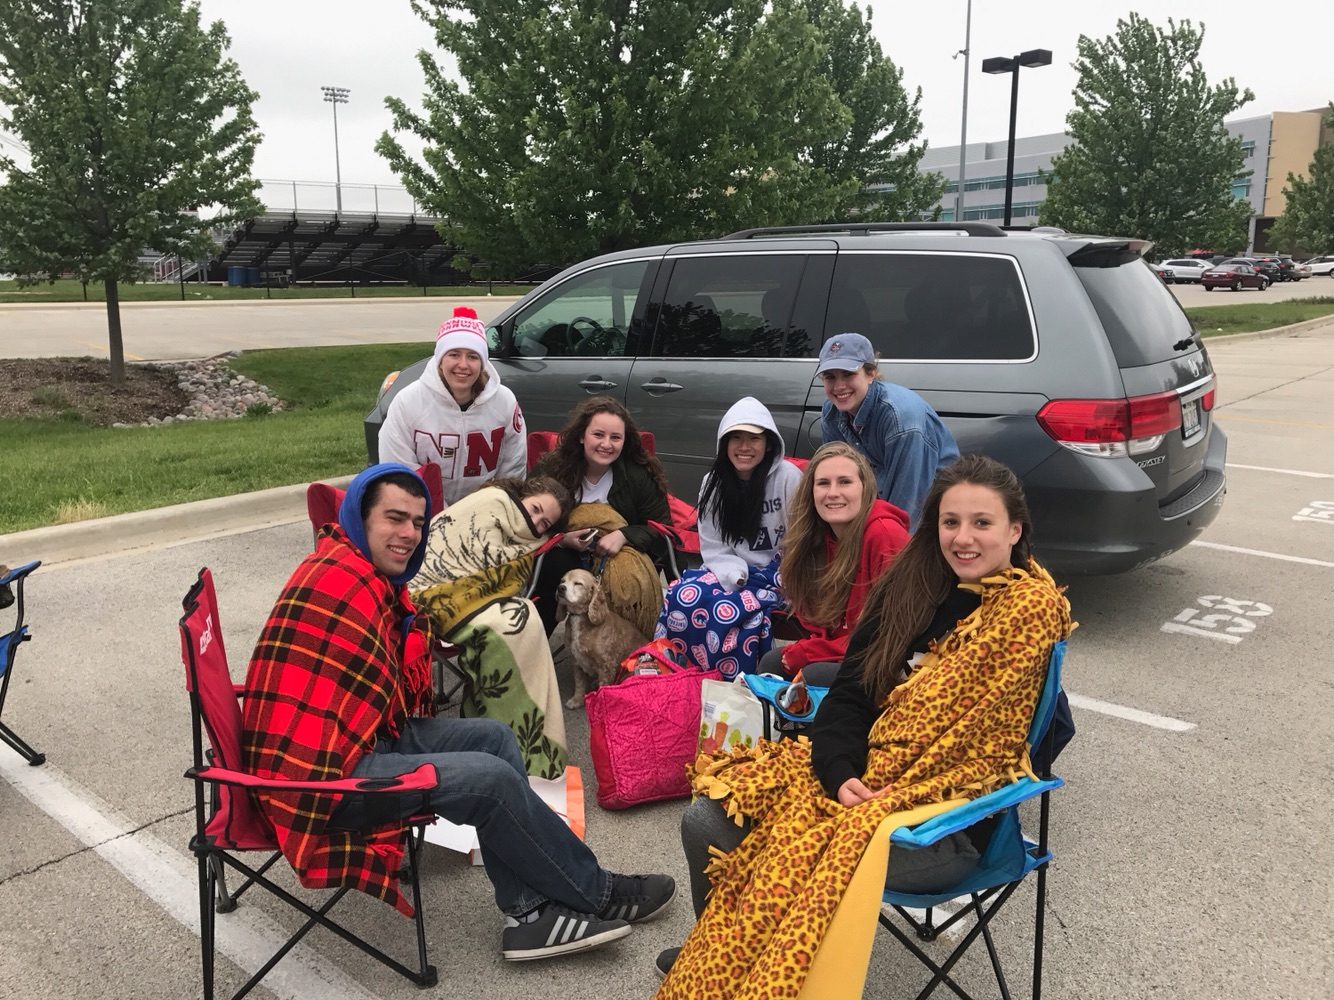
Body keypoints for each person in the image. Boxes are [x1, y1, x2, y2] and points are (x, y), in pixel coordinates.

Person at [654, 454, 1074, 996]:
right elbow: (850, 692)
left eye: (982, 523)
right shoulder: (908, 588)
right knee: (707, 820)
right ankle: (725, 953)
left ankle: (745, 962)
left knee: (779, 846)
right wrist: (837, 769)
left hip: (942, 825)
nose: (964, 538)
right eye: (951, 522)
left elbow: (989, 745)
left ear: (1015, 530)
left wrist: (886, 791)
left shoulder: (1026, 613)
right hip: (859, 784)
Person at [242, 463, 674, 962]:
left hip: (354, 739)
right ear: (359, 517)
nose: (408, 534)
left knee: (494, 738)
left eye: (418, 522)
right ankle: (593, 893)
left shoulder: (358, 569)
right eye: (394, 518)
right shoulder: (340, 584)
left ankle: (527, 910)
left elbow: (376, 686)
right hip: (319, 776)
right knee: (488, 780)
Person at [410, 474, 574, 778]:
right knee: (513, 623)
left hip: (472, 600)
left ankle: (509, 742)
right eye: (536, 508)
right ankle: (508, 745)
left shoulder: (523, 537)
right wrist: (547, 542)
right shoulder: (493, 501)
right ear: (523, 495)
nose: (536, 522)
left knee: (523, 618)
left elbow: (506, 563)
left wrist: (552, 540)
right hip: (427, 593)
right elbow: (488, 554)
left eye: (545, 524)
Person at [655, 397, 803, 679]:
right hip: (730, 570)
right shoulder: (714, 482)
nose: (744, 447)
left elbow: (802, 539)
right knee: (680, 596)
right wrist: (734, 575)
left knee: (734, 613)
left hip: (780, 574)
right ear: (724, 442)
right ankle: (680, 677)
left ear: (768, 443)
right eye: (736, 437)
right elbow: (713, 545)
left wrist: (790, 579)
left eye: (753, 438)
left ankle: (736, 685)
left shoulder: (788, 478)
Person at [758, 442, 909, 683]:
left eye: (845, 482)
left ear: (865, 487)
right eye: (823, 483)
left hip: (887, 657)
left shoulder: (884, 533)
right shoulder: (819, 537)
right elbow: (827, 623)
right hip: (848, 647)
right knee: (771, 663)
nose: (833, 493)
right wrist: (811, 649)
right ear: (811, 491)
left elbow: (891, 630)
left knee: (812, 676)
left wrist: (811, 653)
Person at [530, 396, 672, 637]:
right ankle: (534, 649)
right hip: (565, 555)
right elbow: (528, 516)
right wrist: (562, 539)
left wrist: (624, 535)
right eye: (598, 435)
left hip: (622, 557)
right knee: (554, 566)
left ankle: (629, 649)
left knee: (628, 580)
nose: (607, 444)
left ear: (625, 442)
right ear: (581, 435)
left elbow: (662, 528)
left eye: (615, 438)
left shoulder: (638, 475)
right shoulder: (554, 469)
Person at [378, 305, 526, 507]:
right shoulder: (408, 402)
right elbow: (397, 467)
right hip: (422, 512)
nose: (463, 365)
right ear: (440, 359)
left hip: (485, 512)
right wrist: (440, 513)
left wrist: (492, 508)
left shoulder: (505, 401)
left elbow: (513, 466)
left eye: (473, 356)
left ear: (483, 363)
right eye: (454, 354)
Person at [818, 332, 959, 529]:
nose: (839, 386)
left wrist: (887, 548)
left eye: (849, 374)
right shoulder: (831, 412)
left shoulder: (902, 419)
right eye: (830, 377)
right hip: (881, 504)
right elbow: (836, 477)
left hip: (932, 512)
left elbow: (908, 505)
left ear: (870, 374)